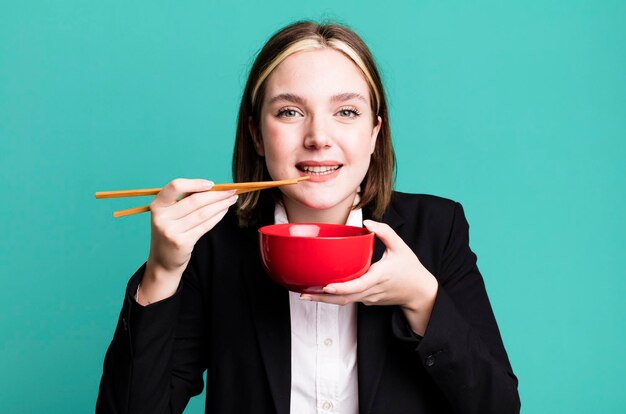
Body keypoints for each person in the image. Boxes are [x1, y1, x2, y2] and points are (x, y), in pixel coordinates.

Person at [97, 21, 520, 414]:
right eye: (289, 112)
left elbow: (498, 406)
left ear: (374, 132)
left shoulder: (436, 229)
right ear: (256, 135)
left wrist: (422, 299)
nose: (318, 137)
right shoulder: (212, 244)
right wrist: (162, 273)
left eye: (347, 112)